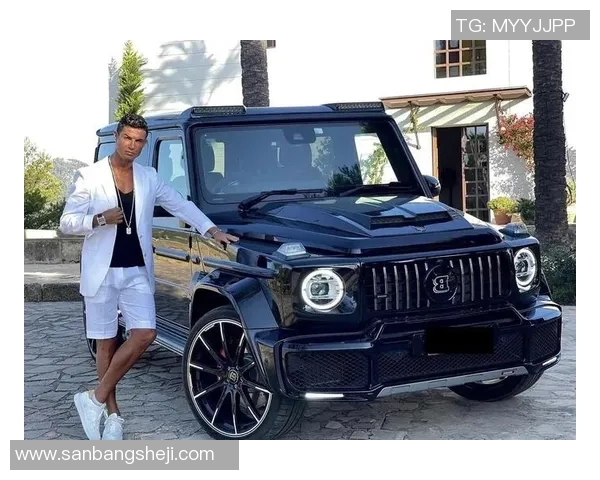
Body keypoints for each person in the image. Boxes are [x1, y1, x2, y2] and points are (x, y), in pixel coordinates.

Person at [60, 113, 238, 440]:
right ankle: (113, 417)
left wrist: (212, 230)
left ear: (144, 143)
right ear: (117, 137)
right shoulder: (89, 176)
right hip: (101, 272)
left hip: (137, 271)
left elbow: (180, 205)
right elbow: (66, 223)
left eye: (139, 141)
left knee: (145, 334)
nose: (132, 145)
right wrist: (98, 219)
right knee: (106, 342)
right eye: (127, 138)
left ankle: (93, 399)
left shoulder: (149, 177)